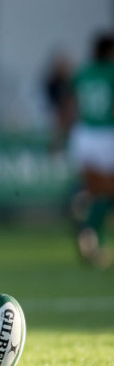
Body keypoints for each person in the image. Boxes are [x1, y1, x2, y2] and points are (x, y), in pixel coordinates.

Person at [68, 32, 114, 269]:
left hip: (83, 134)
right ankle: (89, 228)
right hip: (106, 134)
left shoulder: (82, 72)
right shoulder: (111, 72)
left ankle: (88, 229)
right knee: (107, 191)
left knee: (95, 189)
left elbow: (70, 103)